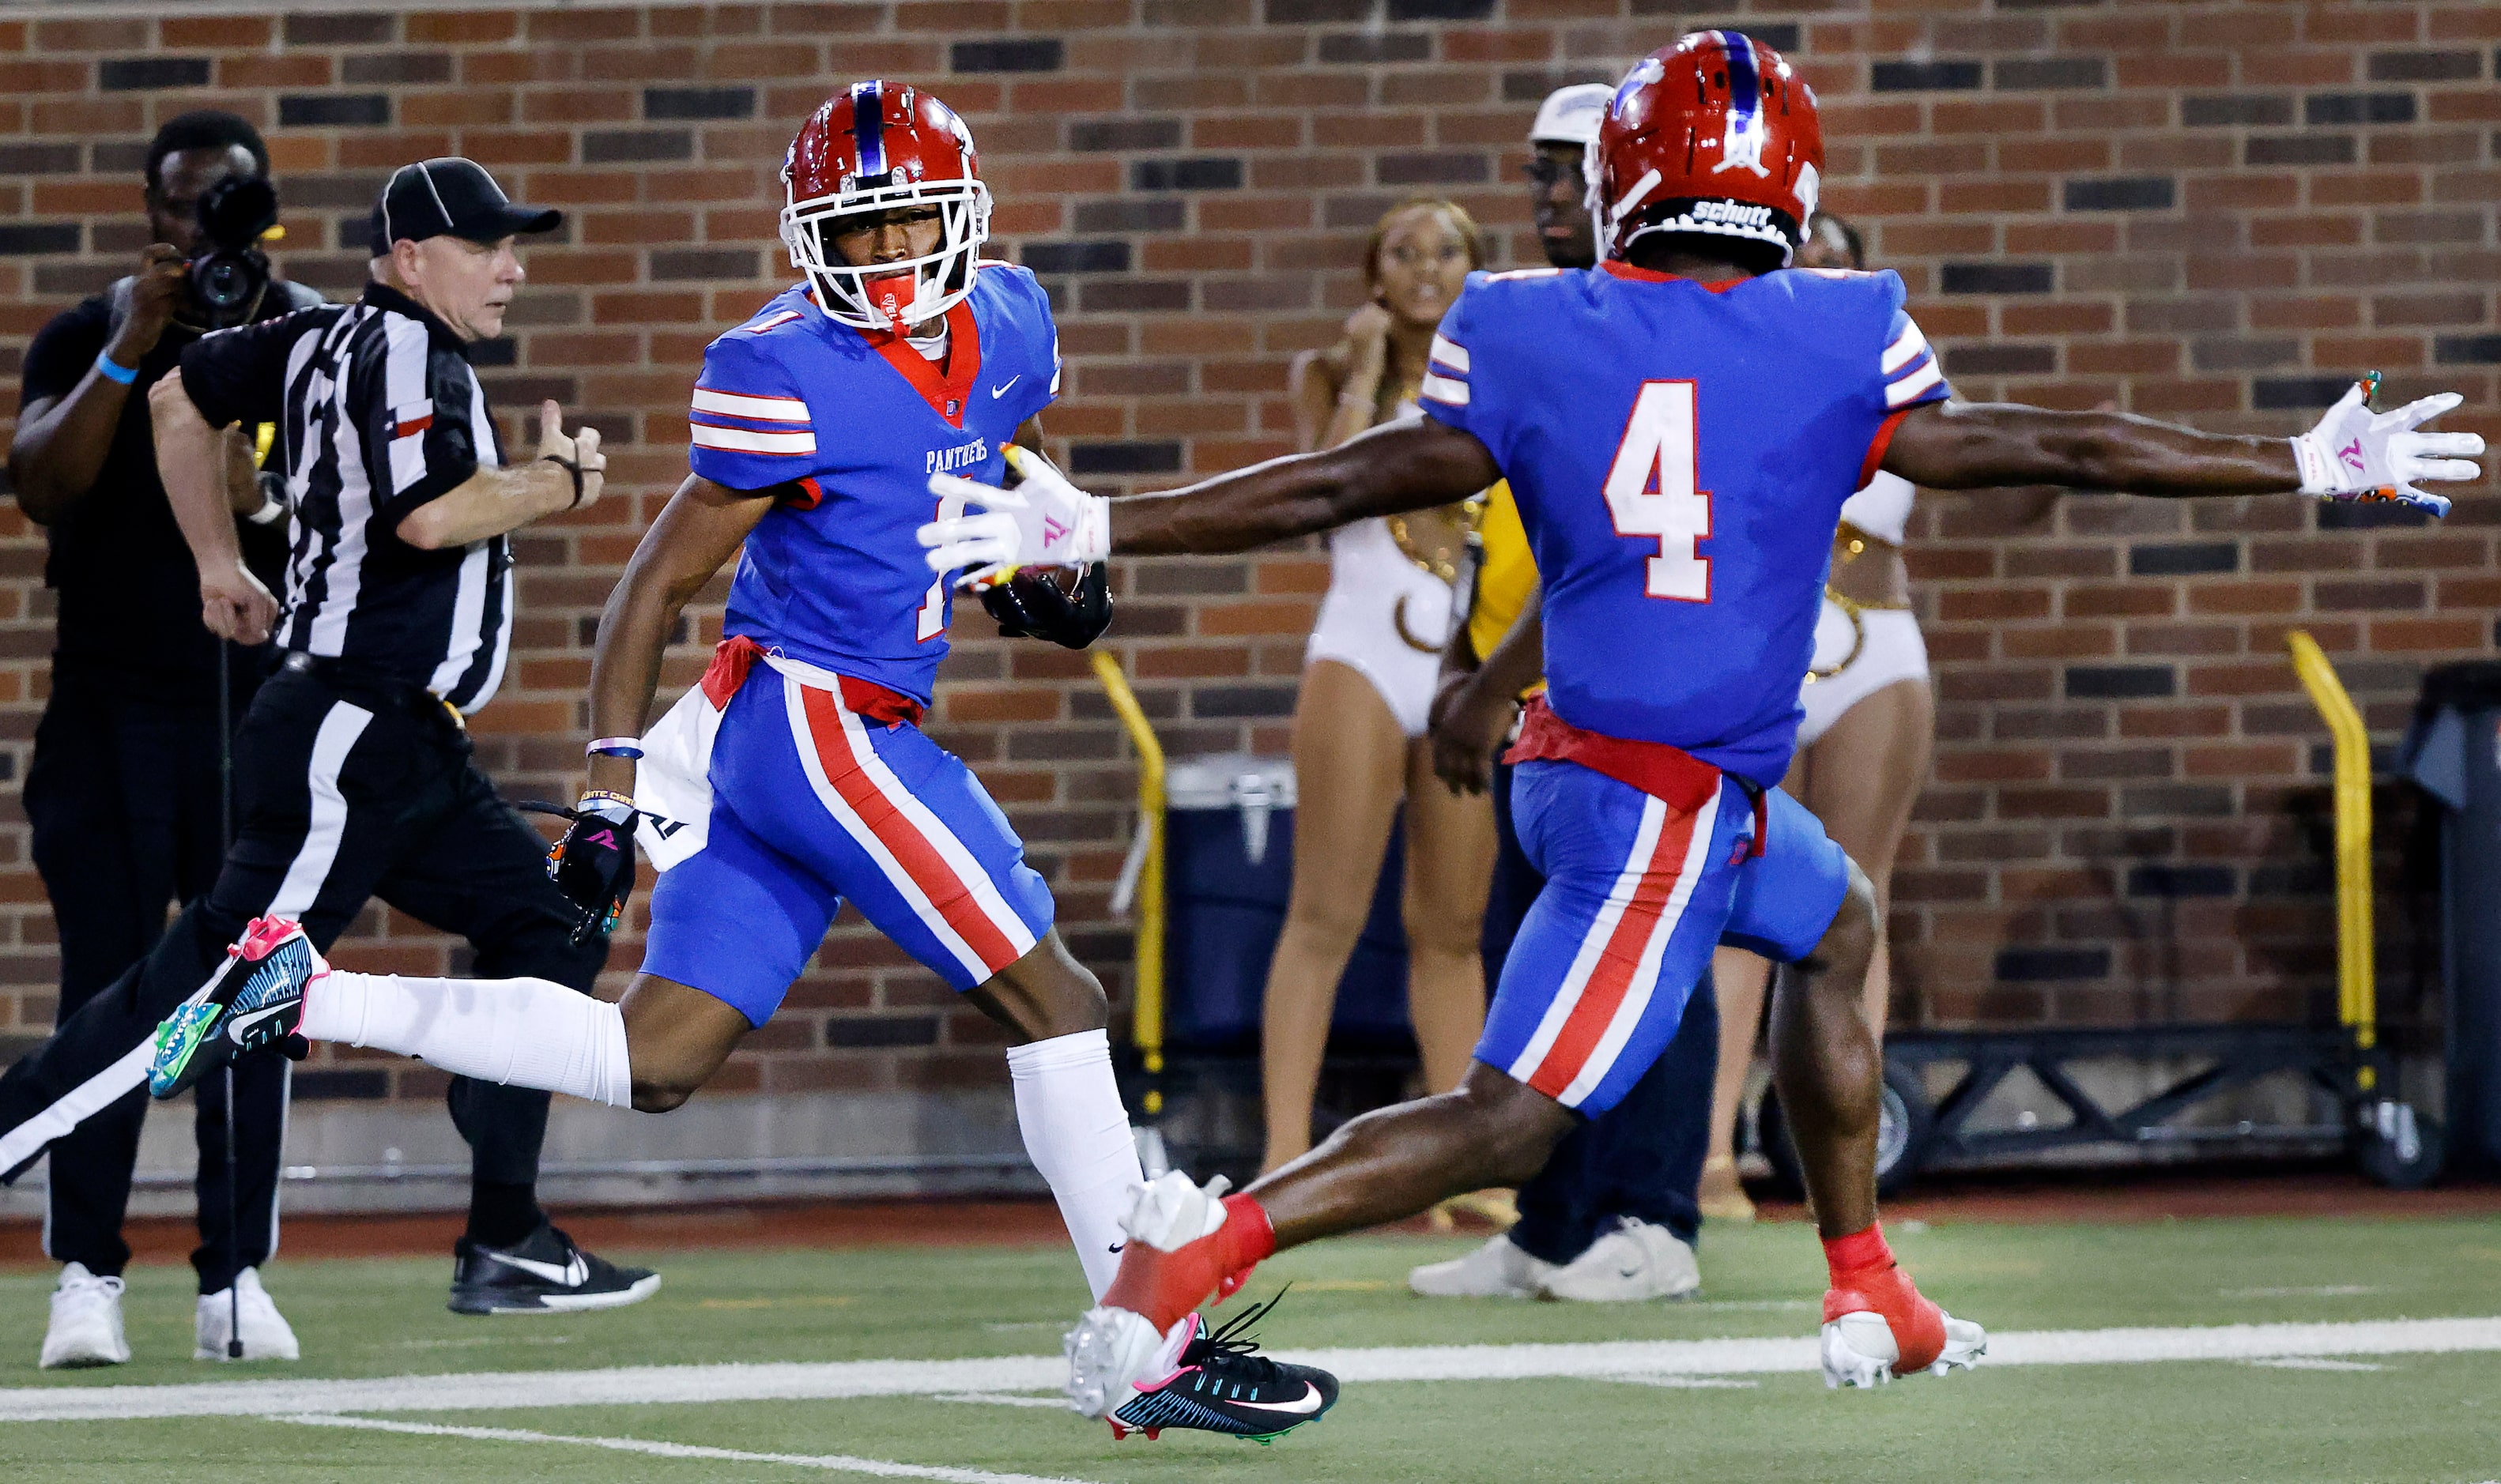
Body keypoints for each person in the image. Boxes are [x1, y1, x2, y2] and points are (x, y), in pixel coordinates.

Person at [913, 29, 2481, 1421]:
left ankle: (1867, 1280)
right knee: (1513, 1122)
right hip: (1652, 804)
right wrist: (2287, 461)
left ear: (1619, 186)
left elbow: (1342, 484)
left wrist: (1107, 521)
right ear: (1787, 191)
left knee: (1838, 922)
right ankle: (1195, 1250)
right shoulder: (1837, 323)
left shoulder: (1529, 322)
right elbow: (2047, 444)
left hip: (1620, 772)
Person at [141, 85, 1340, 1444]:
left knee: (655, 1058)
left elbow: (1015, 484)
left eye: (905, 223)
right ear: (806, 237)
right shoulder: (780, 367)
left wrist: (1044, 568)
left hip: (801, 730)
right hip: (813, 721)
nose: (885, 256)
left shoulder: (1008, 322)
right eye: (857, 229)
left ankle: (308, 992)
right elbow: (644, 590)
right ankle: (1143, 1344)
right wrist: (604, 788)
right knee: (1056, 999)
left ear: (960, 219)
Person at [0, 156, 661, 1322]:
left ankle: (505, 1226)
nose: (512, 270)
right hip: (351, 732)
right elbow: (428, 512)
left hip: (404, 748)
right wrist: (552, 484)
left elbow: (174, 403)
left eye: (518, 247)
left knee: (555, 917)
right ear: (411, 258)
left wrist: (219, 562)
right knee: (199, 990)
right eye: (488, 246)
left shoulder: (307, 340)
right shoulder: (408, 350)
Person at [6, 111, 318, 1368]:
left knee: (251, 990)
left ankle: (234, 1275)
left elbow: (317, 513)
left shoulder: (301, 338)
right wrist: (134, 350)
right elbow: (39, 479)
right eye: (185, 206)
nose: (204, 231)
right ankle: (87, 1271)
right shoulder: (92, 332)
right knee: (108, 994)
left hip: (254, 718)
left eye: (229, 208)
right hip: (106, 721)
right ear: (151, 209)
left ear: (262, 214)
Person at [1407, 83, 1714, 1305]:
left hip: (1637, 703)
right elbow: (1505, 518)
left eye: (1564, 171)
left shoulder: (1652, 325)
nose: (1541, 196)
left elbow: (1612, 544)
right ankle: (1555, 1220)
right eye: (1533, 170)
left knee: (1651, 958)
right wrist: (1459, 661)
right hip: (1547, 710)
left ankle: (1655, 1217)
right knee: (1537, 956)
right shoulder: (1546, 317)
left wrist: (1487, 682)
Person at [1262, 197, 1499, 1180]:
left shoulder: (1503, 380)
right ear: (1373, 274)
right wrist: (1363, 372)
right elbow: (1325, 491)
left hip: (1462, 667)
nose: (1426, 269)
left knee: (1448, 927)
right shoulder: (1326, 373)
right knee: (1323, 914)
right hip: (1361, 652)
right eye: (1403, 252)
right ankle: (1281, 1151)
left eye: (1448, 251)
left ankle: (1464, 1167)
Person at [1701, 210, 1923, 1224]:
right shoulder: (1722, 356)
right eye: (1804, 258)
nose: (1821, 273)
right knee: (1741, 908)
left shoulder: (1894, 356)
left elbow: (1972, 464)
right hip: (1764, 648)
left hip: (1873, 644)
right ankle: (1711, 1151)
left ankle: (1845, 1161)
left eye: (1841, 260)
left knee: (1857, 903)